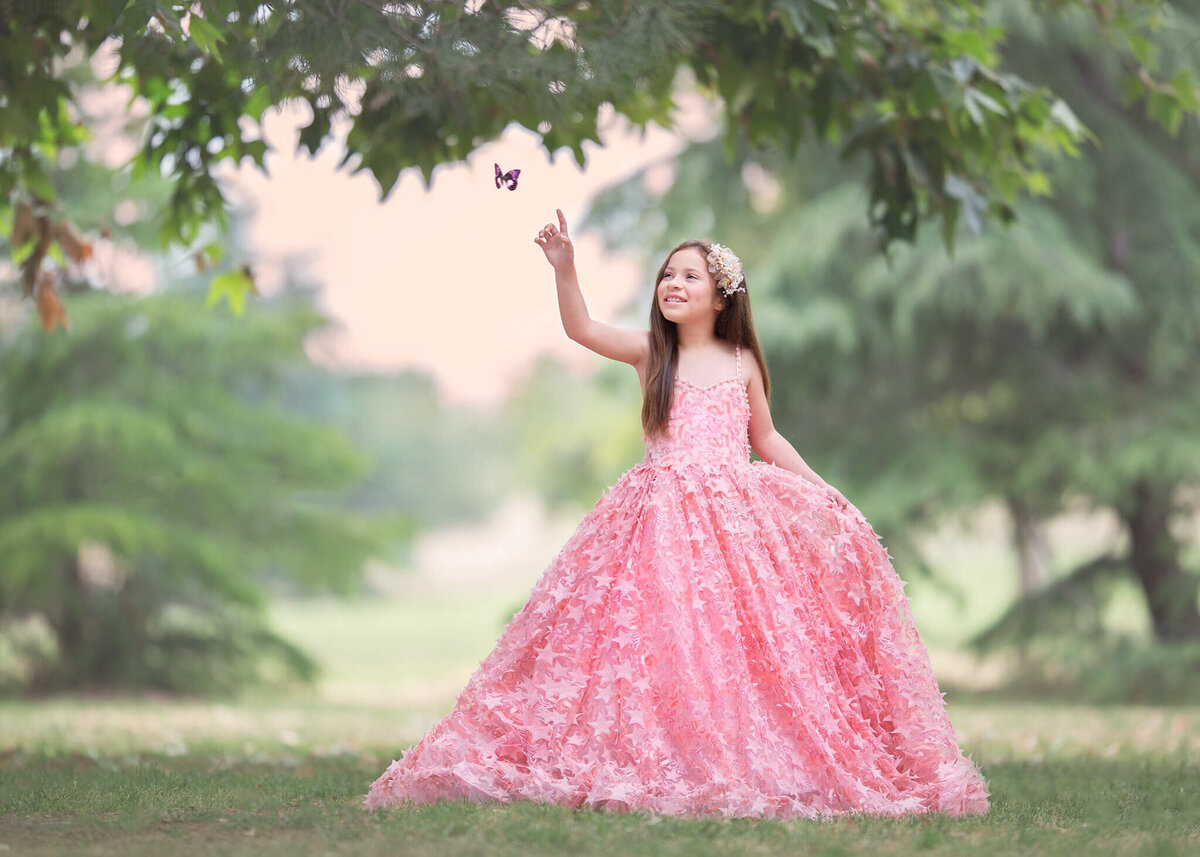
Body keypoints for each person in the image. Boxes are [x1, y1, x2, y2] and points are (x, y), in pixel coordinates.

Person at [364, 209, 990, 819]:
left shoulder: (742, 363)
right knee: (654, 637)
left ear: (722, 295)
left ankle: (729, 753)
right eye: (667, 274)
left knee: (733, 641)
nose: (674, 283)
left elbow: (766, 439)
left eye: (690, 275)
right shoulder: (649, 353)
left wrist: (825, 492)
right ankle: (658, 752)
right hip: (656, 521)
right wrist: (564, 268)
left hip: (732, 526)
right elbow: (581, 328)